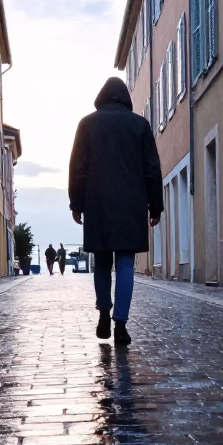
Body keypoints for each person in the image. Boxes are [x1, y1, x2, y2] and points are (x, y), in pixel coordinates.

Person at [69, 77, 162, 345]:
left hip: (97, 204)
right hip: (131, 205)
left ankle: (103, 314)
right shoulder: (139, 125)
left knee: (102, 261)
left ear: (102, 98)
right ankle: (120, 323)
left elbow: (78, 167)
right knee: (124, 264)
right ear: (126, 99)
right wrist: (155, 206)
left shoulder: (87, 124)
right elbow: (151, 169)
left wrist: (76, 203)